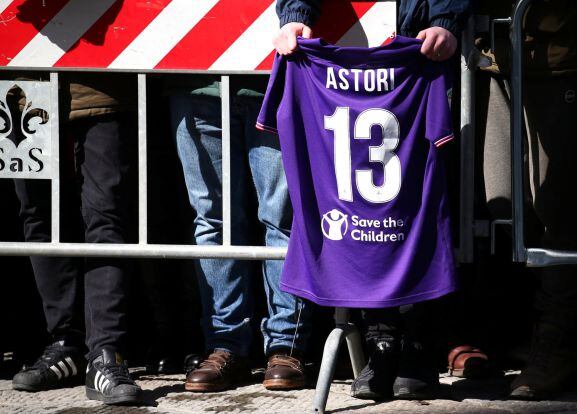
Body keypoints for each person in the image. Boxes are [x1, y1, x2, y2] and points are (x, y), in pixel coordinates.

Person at [273, 0, 469, 400]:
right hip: (346, 63)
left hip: (417, 54)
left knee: (412, 206)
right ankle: (380, 342)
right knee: (363, 213)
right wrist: (296, 16)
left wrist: (444, 20)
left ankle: (417, 341)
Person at [473, 0, 577, 400]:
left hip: (562, 60)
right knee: (504, 203)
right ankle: (555, 327)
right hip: (498, 56)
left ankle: (561, 337)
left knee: (558, 208)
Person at [168, 75, 312, 392]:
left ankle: (285, 346)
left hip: (275, 84)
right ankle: (226, 344)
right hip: (198, 87)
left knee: (282, 217)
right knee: (214, 221)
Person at [8, 73, 142, 405]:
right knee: (38, 217)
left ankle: (105, 352)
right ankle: (66, 343)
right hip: (23, 91)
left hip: (101, 87)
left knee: (105, 216)